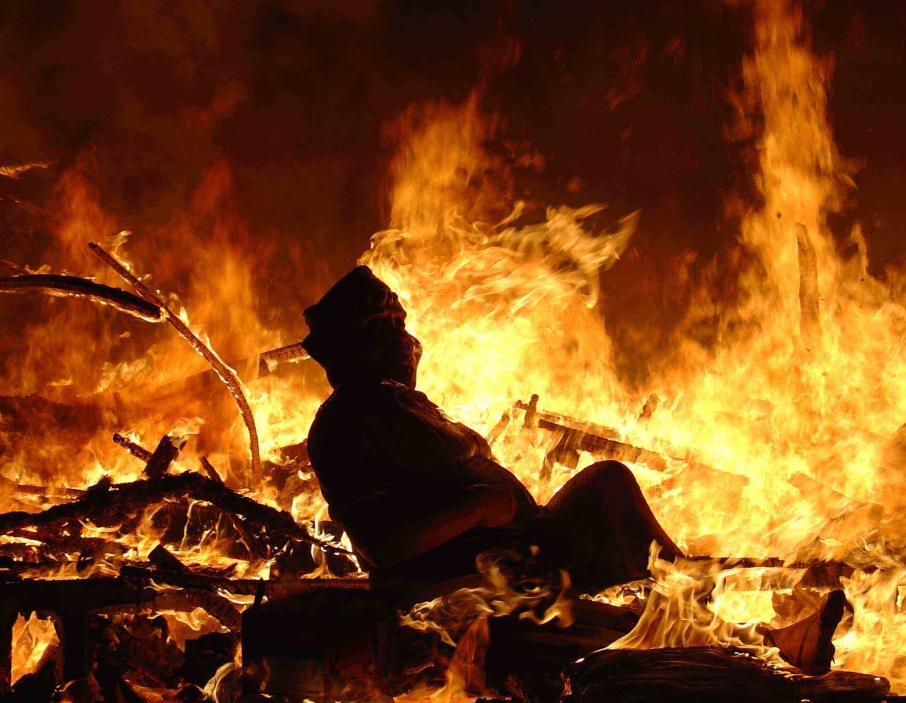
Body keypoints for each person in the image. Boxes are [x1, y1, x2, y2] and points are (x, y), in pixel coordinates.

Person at [303, 266, 845, 674]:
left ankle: (688, 591)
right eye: (381, 325)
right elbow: (381, 548)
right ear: (351, 345)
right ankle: (761, 641)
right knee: (609, 625)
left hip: (520, 549)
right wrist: (475, 508)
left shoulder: (404, 407)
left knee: (607, 484)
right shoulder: (346, 422)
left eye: (400, 320)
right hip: (464, 582)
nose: (400, 336)